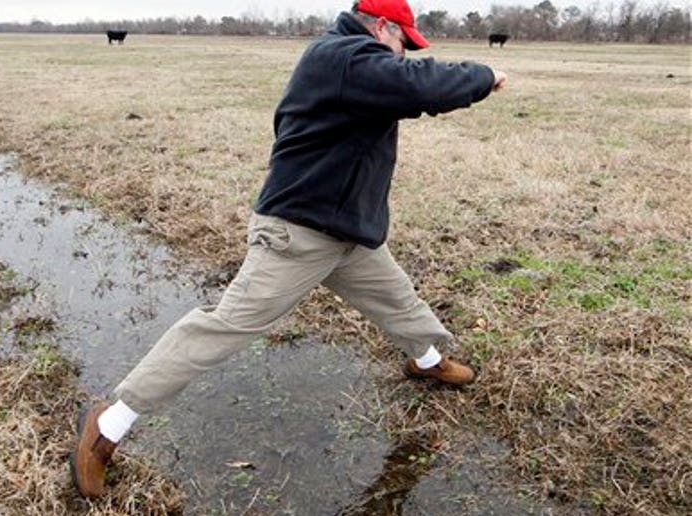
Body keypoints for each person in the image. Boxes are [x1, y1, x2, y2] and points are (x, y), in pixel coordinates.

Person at [69, 0, 508, 498]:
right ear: (382, 26)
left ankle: (426, 360)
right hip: (298, 234)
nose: (404, 52)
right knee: (226, 326)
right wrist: (483, 74)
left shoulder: (349, 62)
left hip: (345, 230)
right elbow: (417, 85)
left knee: (398, 301)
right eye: (403, 42)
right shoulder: (344, 58)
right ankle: (108, 425)